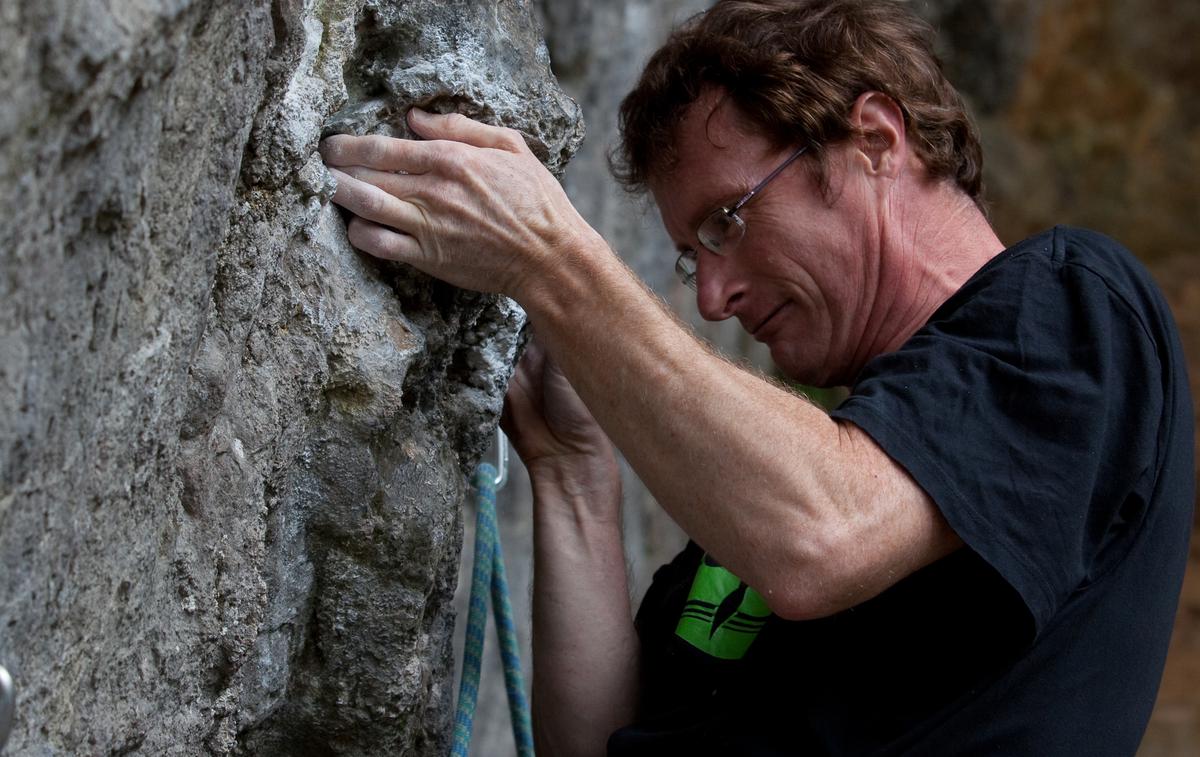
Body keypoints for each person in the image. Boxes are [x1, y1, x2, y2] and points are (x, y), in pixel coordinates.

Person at [319, 0, 1194, 753]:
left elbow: (820, 535)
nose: (711, 296)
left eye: (727, 222)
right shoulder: (803, 473)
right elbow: (594, 741)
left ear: (874, 141)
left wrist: (553, 261)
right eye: (687, 257)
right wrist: (571, 474)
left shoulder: (1075, 306)